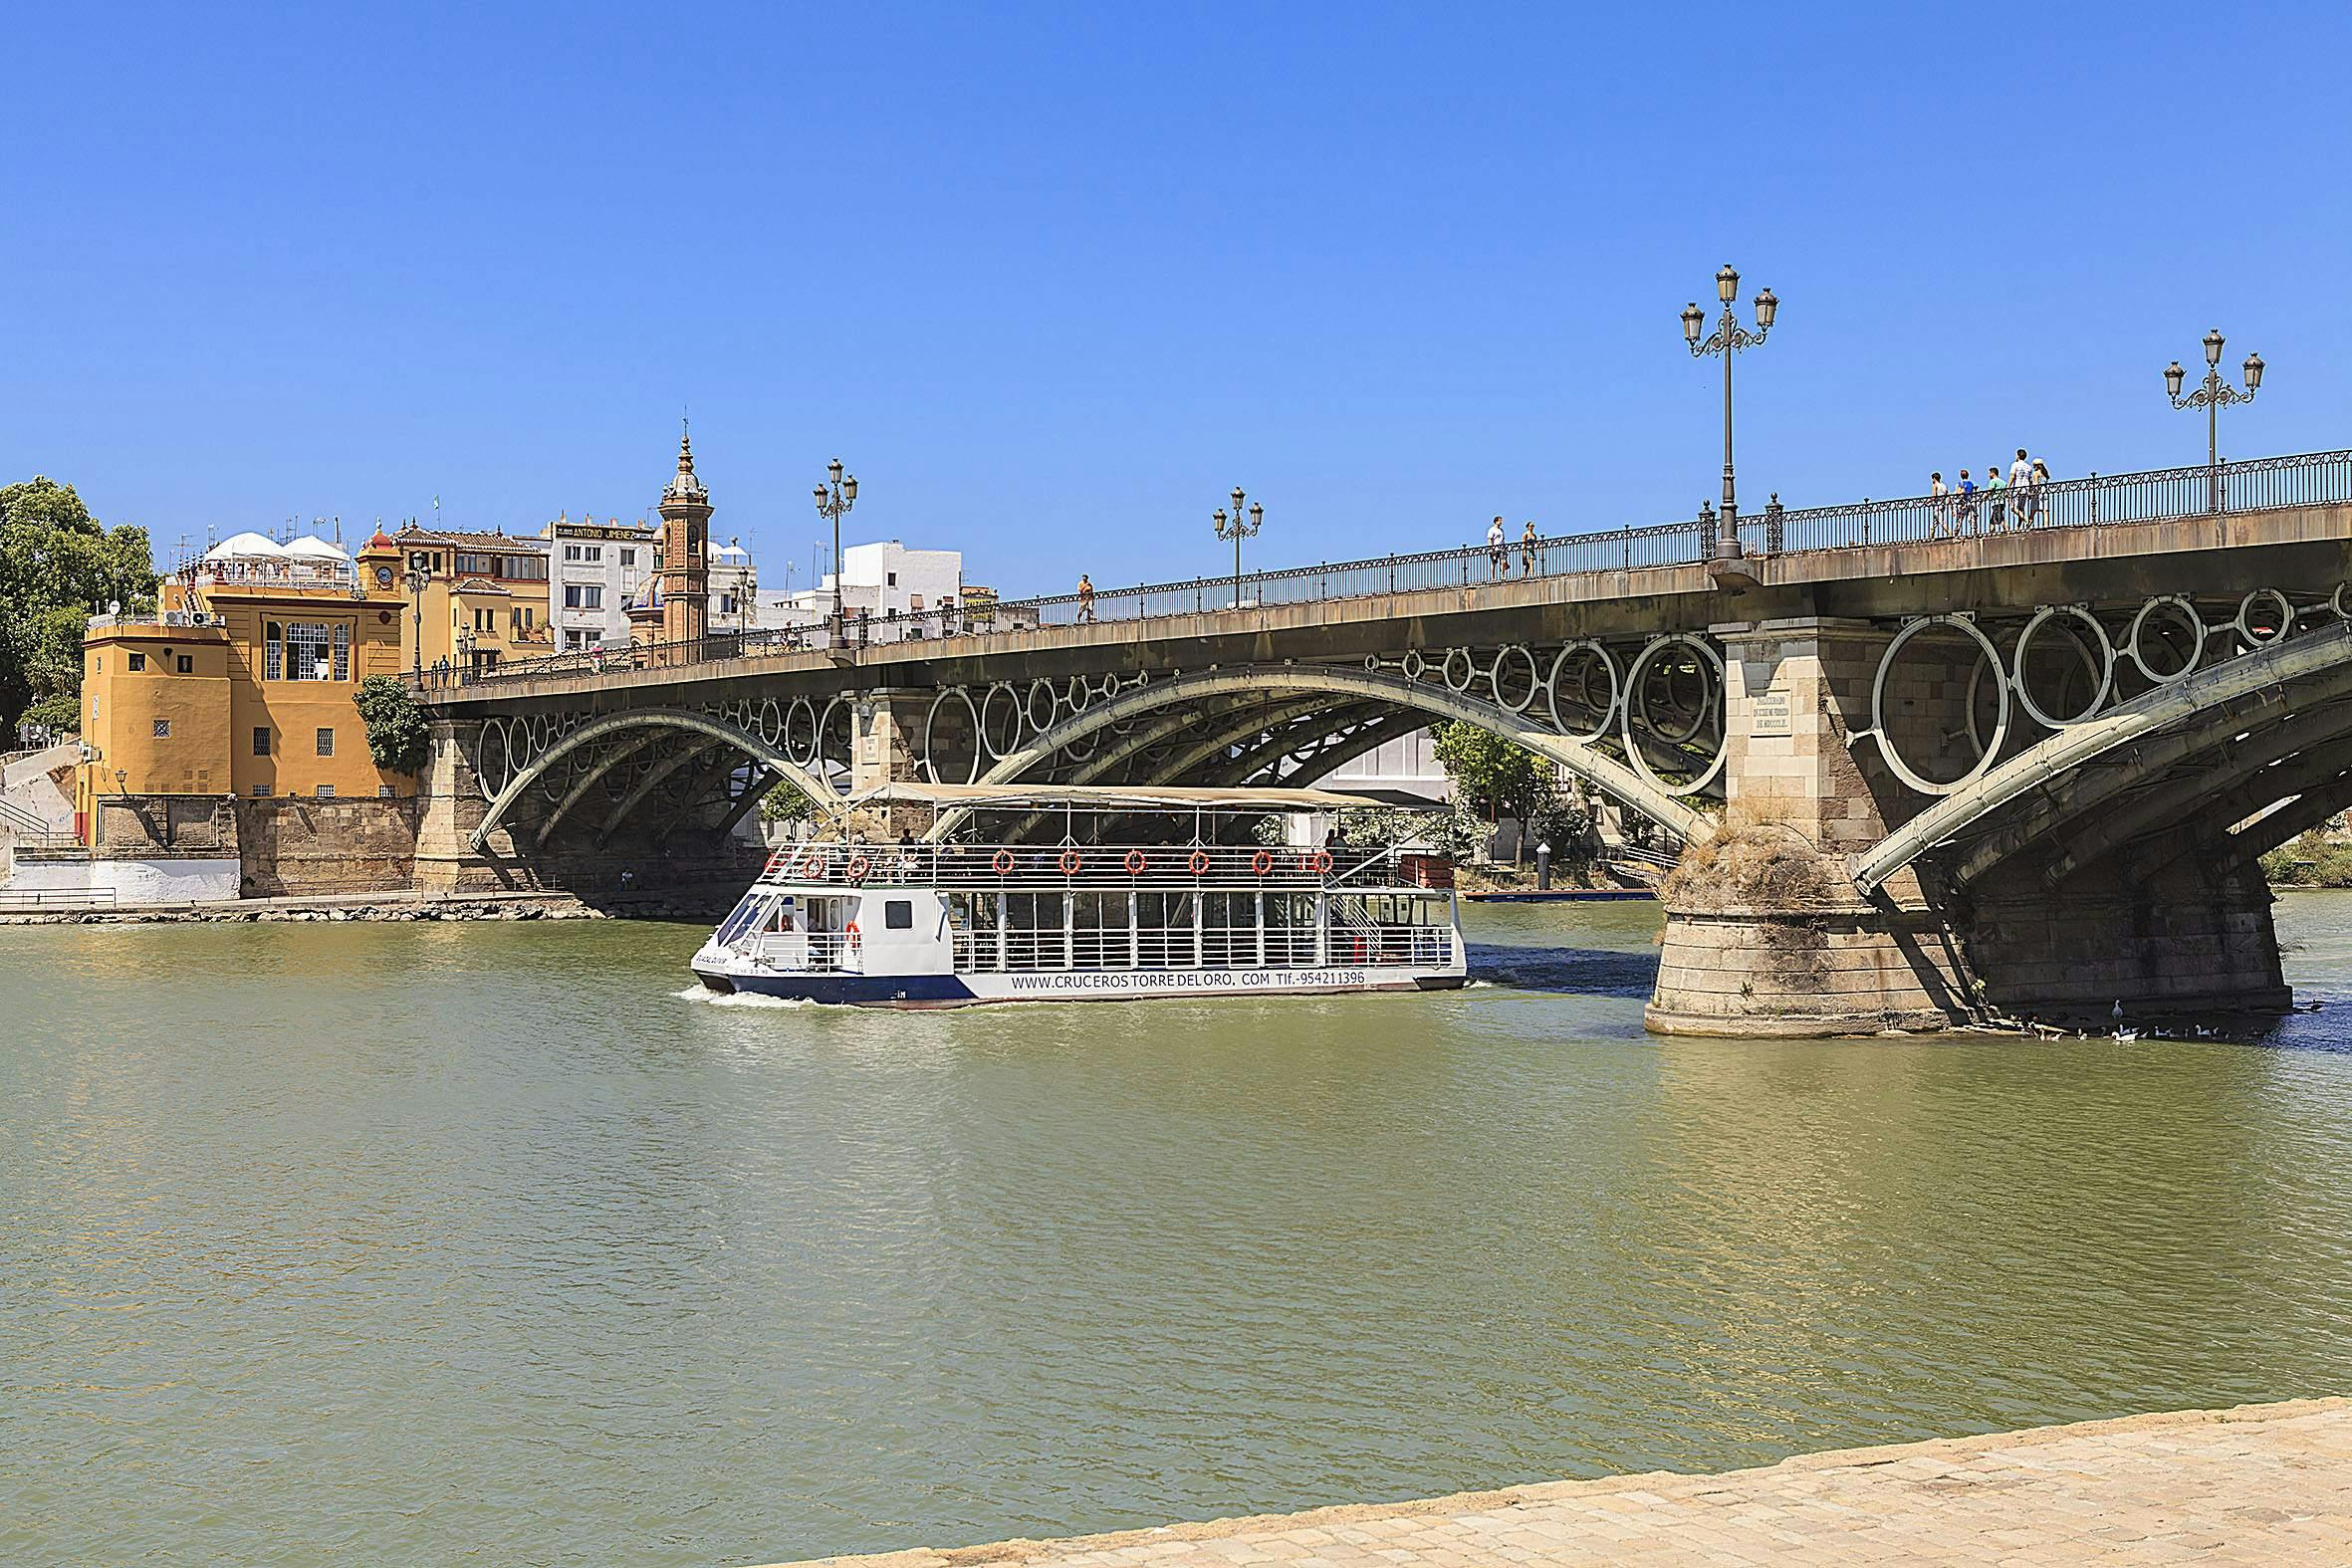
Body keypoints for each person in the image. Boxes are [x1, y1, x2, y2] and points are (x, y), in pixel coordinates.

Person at [1985, 460, 2007, 532]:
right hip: (2002, 502)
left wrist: (1983, 497)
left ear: (1993, 473)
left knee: (1999, 518)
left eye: (1989, 473)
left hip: (1996, 502)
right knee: (1993, 520)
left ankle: (2007, 529)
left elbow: (1989, 491)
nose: (1988, 475)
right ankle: (1991, 532)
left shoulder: (1993, 481)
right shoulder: (2003, 482)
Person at [1956, 469, 1979, 535]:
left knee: (1960, 519)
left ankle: (1956, 533)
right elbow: (1974, 493)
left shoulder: (1960, 484)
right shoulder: (1971, 484)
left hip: (1963, 503)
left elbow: (1958, 493)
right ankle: (1974, 532)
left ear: (1961, 476)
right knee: (1971, 518)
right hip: (1970, 502)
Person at [1929, 472, 1948, 538]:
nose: (1932, 480)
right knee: (1934, 524)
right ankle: (1931, 538)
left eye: (1932, 479)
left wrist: (1928, 502)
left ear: (1934, 478)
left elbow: (1933, 496)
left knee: (1942, 522)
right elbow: (1947, 496)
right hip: (1943, 505)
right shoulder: (1944, 486)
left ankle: (1950, 534)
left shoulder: (1935, 485)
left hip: (1937, 506)